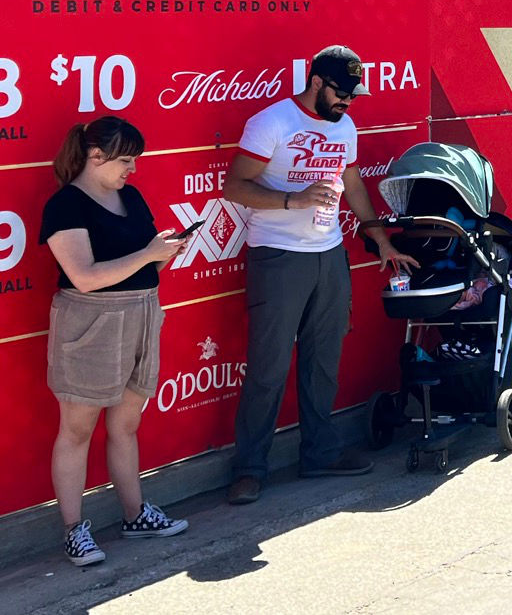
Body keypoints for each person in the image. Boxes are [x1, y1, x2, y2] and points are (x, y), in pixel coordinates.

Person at [224, 47, 418, 506]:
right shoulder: (271, 122)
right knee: (268, 368)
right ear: (316, 82)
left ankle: (320, 453)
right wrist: (294, 200)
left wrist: (381, 240)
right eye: (342, 92)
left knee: (322, 360)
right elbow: (234, 186)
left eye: (354, 94)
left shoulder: (345, 126)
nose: (348, 102)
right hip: (277, 255)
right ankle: (250, 468)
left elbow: (352, 184)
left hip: (328, 253)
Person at [39, 117, 190, 566]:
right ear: (95, 155)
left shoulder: (132, 196)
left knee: (126, 425)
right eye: (126, 160)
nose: (133, 169)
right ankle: (73, 529)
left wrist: (163, 253)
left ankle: (134, 513)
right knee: (78, 428)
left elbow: (141, 265)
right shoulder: (65, 205)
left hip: (142, 310)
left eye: (135, 160)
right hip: (92, 321)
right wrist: (148, 254)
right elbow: (84, 278)